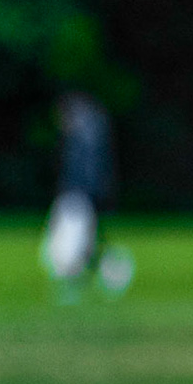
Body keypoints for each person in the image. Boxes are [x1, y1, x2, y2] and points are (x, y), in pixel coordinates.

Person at [40, 90, 133, 300]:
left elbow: (87, 170)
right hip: (79, 195)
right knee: (84, 244)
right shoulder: (90, 129)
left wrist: (86, 193)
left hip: (79, 195)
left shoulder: (85, 133)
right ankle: (98, 274)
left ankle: (82, 281)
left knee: (71, 245)